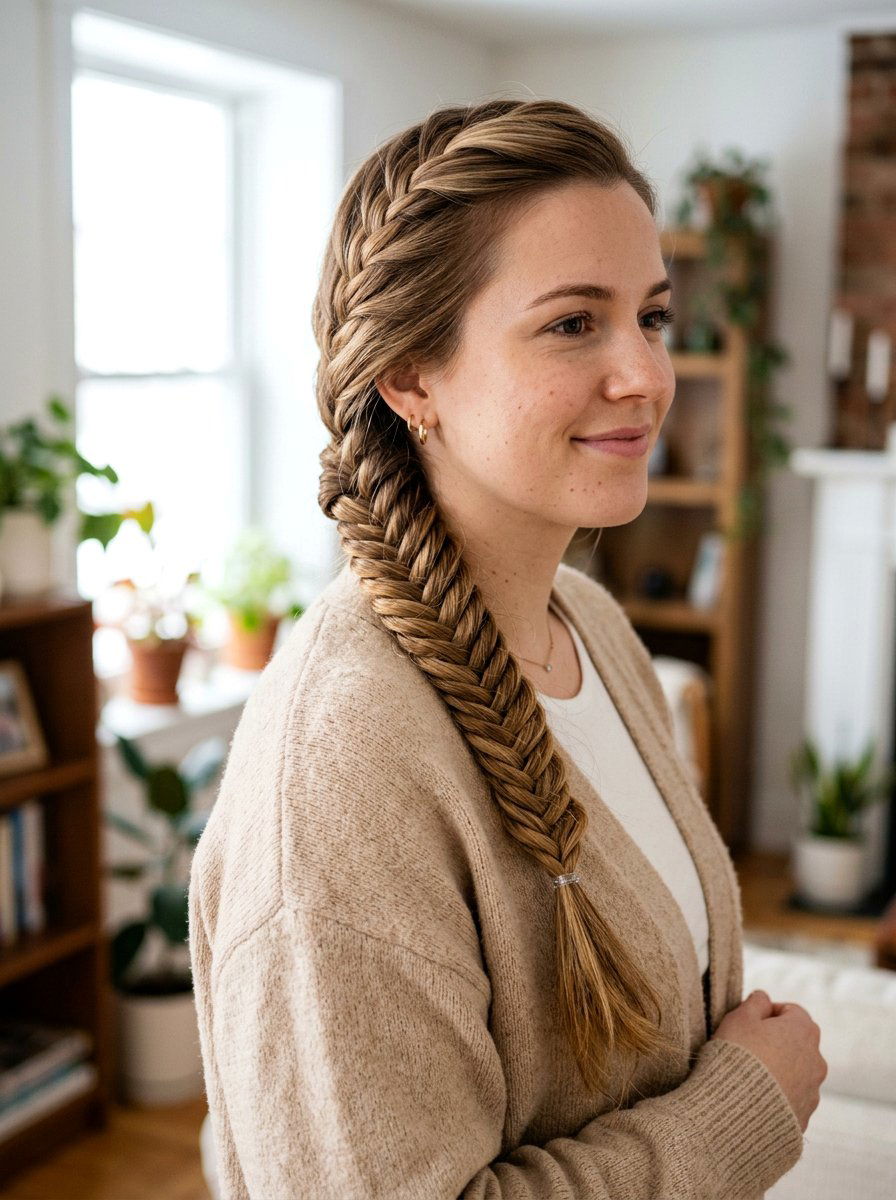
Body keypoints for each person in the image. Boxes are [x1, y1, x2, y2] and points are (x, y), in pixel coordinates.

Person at [188, 98, 827, 1199]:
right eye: (574, 323)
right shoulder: (342, 768)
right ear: (410, 378)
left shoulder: (596, 632)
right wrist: (739, 1113)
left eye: (652, 317)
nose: (645, 375)